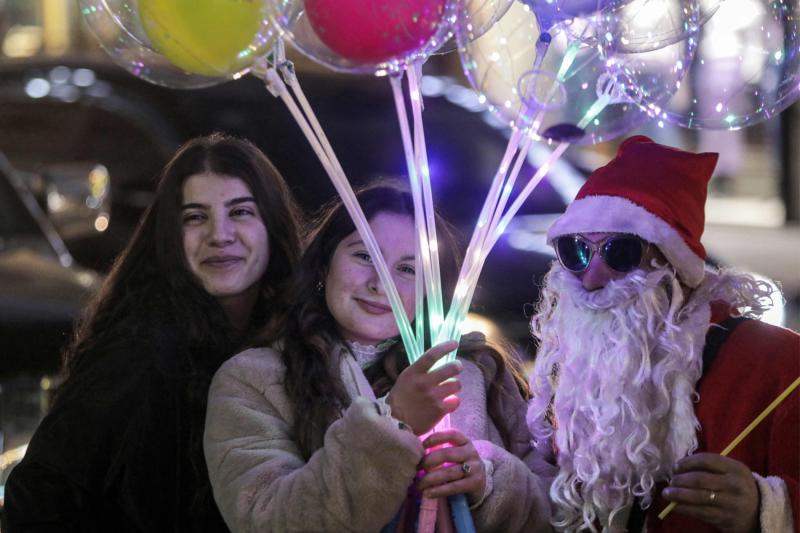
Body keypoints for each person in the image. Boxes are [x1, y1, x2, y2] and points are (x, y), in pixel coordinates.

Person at [203, 180, 555, 532]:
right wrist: (393, 421)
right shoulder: (252, 380)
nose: (380, 283)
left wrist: (488, 484)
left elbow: (556, 507)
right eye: (364, 255)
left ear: (431, 289)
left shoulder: (480, 373)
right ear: (325, 265)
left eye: (407, 269)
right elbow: (266, 519)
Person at [5, 133, 303, 531]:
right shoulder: (141, 352)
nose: (220, 234)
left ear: (273, 224)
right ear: (170, 237)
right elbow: (39, 497)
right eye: (195, 217)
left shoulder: (294, 335)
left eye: (241, 212)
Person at [526, 135, 799, 532]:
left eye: (620, 251)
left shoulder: (779, 365)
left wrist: (765, 508)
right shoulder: (577, 372)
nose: (593, 277)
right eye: (576, 251)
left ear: (673, 266)